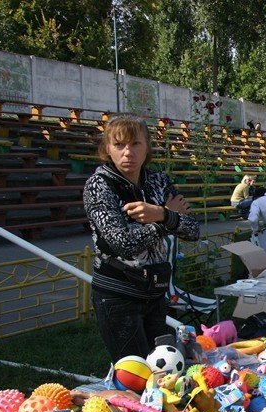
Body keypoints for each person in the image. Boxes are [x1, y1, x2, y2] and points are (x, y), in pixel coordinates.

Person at [83, 113, 199, 361]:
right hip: (118, 295)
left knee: (164, 372)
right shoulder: (99, 185)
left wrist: (160, 214)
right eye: (119, 145)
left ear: (147, 147)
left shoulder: (158, 180)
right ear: (107, 149)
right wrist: (165, 219)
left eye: (135, 144)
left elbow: (193, 230)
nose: (128, 152)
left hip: (155, 293)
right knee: (135, 374)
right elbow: (123, 244)